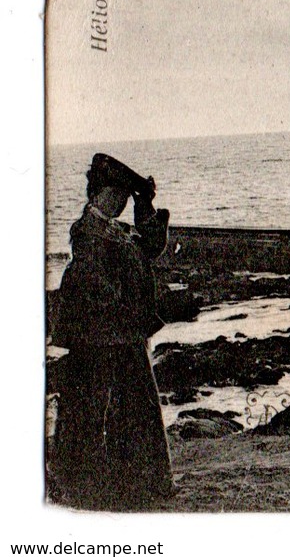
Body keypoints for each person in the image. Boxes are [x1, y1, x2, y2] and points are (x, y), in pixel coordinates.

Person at [48, 153, 174, 509]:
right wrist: (123, 306)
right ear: (100, 193)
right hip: (99, 339)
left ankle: (138, 485)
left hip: (123, 336)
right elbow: (93, 287)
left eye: (123, 196)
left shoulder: (114, 230)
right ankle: (92, 487)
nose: (120, 201)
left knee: (134, 410)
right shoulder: (88, 233)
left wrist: (144, 205)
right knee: (94, 412)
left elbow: (151, 248)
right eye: (117, 194)